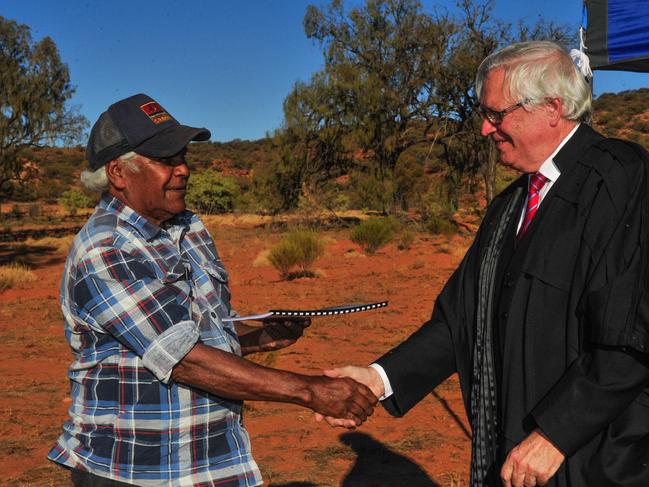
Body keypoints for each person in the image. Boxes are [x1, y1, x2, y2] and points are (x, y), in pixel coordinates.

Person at [320, 41, 649, 487]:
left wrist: (556, 434)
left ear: (552, 108)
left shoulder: (621, 177)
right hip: (519, 451)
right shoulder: (510, 204)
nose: (484, 128)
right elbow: (460, 319)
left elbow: (629, 337)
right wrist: (379, 379)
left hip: (595, 457)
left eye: (497, 114)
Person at [48, 93, 377, 487]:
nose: (183, 170)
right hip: (134, 468)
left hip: (204, 463)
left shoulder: (189, 227)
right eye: (166, 161)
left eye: (184, 157)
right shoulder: (105, 247)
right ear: (119, 173)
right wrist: (308, 390)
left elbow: (193, 330)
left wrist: (260, 335)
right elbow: (183, 358)